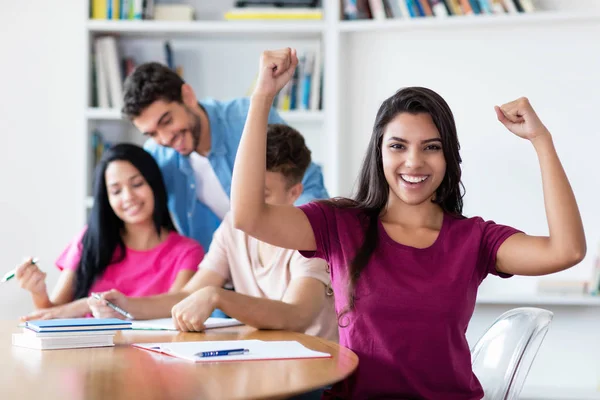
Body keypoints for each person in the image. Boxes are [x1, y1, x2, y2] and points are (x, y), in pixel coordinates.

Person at [229, 48, 587, 399]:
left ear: (448, 156)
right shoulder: (339, 224)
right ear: (380, 151)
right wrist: (263, 96)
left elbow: (567, 250)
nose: (413, 162)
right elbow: (248, 216)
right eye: (398, 146)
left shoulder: (474, 239)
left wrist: (542, 141)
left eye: (431, 147)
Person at [88, 125, 338, 343]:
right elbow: (189, 295)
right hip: (265, 361)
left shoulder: (312, 235)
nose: (247, 206)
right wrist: (127, 306)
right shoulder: (234, 226)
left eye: (261, 195)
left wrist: (219, 297)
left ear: (294, 193)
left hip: (315, 372)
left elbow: (296, 315)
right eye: (242, 192)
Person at [121, 63, 329, 251]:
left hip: (283, 257)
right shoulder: (157, 156)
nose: (164, 139)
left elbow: (307, 186)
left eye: (167, 121)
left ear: (188, 96)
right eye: (151, 133)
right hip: (219, 271)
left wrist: (302, 251)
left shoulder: (249, 118)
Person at [15, 143, 204, 321]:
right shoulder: (89, 240)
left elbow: (178, 309)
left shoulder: (187, 252)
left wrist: (86, 306)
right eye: (116, 191)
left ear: (154, 184)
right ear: (107, 198)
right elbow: (51, 315)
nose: (128, 197)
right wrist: (38, 292)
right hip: (85, 352)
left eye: (137, 184)